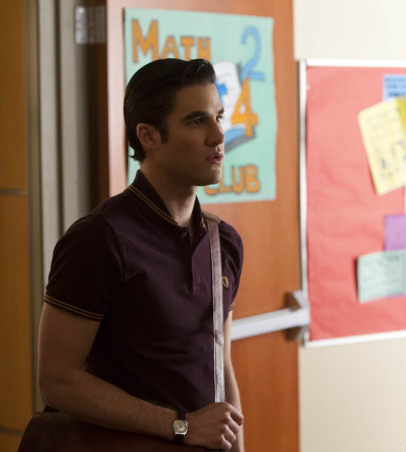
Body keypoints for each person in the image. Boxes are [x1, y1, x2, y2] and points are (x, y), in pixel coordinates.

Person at [38, 58, 245, 451]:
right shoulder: (99, 238)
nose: (218, 135)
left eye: (219, 117)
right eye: (197, 121)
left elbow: (222, 367)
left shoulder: (225, 242)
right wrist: (181, 426)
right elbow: (57, 380)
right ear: (149, 135)